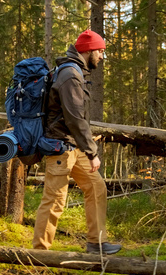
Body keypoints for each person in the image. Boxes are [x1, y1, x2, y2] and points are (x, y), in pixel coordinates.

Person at [32, 30, 121, 255]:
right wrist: (92, 151)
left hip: (73, 146)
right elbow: (74, 118)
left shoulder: (74, 72)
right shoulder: (70, 75)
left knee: (96, 186)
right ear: (89, 50)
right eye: (100, 51)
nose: (102, 56)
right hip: (61, 147)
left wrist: (86, 148)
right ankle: (40, 254)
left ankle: (96, 243)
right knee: (55, 200)